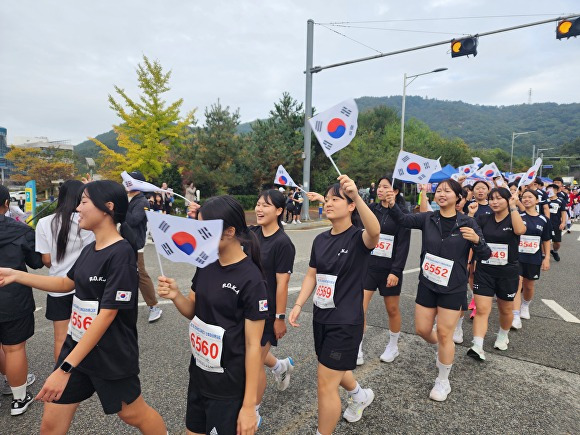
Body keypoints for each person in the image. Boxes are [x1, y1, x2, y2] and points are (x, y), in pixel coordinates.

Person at [0, 181, 167, 433]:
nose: (77, 208)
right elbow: (66, 283)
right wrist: (16, 275)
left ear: (107, 208)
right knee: (50, 422)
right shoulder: (91, 248)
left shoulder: (122, 254)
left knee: (134, 414)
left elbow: (108, 314)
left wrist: (66, 367)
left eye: (84, 202)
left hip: (109, 356)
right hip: (78, 346)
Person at [157, 195, 267, 435]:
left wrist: (249, 406)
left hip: (228, 388)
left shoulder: (251, 279)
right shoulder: (205, 263)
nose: (197, 235)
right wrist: (176, 295)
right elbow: (193, 312)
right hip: (199, 376)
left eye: (203, 229)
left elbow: (253, 346)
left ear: (229, 231)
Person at [384, 178, 491, 401]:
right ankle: (444, 348)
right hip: (428, 283)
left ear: (458, 197)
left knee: (444, 333)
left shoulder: (467, 223)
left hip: (453, 287)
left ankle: (443, 380)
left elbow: (486, 254)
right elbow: (403, 220)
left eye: (447, 191)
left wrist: (478, 242)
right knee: (423, 330)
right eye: (439, 191)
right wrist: (393, 202)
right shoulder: (427, 218)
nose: (442, 194)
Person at [289, 175, 380, 434]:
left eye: (336, 199)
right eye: (326, 200)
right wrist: (298, 304)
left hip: (346, 321)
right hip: (321, 316)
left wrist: (358, 196)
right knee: (333, 367)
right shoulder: (321, 240)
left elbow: (375, 232)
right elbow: (311, 275)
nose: (328, 204)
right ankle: (360, 395)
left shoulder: (359, 238)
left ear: (351, 206)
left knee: (325, 383)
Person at [35, 180, 95, 362]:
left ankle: (62, 377)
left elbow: (46, 259)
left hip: (56, 286)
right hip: (84, 285)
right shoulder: (86, 221)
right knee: (88, 335)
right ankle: (85, 374)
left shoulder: (44, 223)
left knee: (60, 337)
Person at [251, 189, 296, 425]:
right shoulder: (251, 234)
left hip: (267, 312)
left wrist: (279, 317)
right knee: (252, 352)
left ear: (279, 211)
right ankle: (280, 366)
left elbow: (282, 283)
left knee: (254, 361)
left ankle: (253, 411)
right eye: (258, 204)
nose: (259, 209)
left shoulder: (283, 243)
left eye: (265, 205)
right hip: (246, 307)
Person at [0, 184, 44, 416]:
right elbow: (37, 262)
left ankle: (10, 381)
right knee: (14, 348)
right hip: (13, 298)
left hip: (12, 298)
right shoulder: (20, 230)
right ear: (7, 204)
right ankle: (19, 398)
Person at [468, 187, 526, 359]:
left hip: (507, 272)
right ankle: (477, 345)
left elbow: (520, 231)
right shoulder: (484, 218)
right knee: (482, 309)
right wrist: (471, 214)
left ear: (508, 200)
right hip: (484, 271)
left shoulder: (513, 218)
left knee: (506, 310)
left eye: (499, 198)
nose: (494, 202)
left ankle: (503, 334)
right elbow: (468, 231)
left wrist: (514, 207)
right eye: (491, 198)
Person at [359, 177, 410, 365]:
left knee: (392, 309)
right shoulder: (372, 209)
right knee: (359, 307)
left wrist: (396, 271)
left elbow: (404, 245)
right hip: (368, 266)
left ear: (395, 191)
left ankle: (393, 345)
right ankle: (357, 345)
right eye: (379, 186)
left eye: (385, 187)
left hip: (389, 270)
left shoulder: (403, 214)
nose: (380, 190)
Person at [125, 171, 163, 323]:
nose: (126, 183)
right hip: (121, 242)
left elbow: (133, 220)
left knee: (140, 274)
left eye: (131, 180)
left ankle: (154, 306)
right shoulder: (127, 198)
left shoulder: (142, 201)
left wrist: (121, 207)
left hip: (135, 244)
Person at [511, 189, 551, 329]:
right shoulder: (517, 216)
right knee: (517, 283)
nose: (526, 199)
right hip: (517, 257)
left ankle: (525, 305)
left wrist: (546, 259)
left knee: (529, 286)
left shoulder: (543, 219)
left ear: (537, 200)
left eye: (530, 197)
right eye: (524, 197)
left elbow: (546, 240)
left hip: (534, 257)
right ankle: (515, 315)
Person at [546, 183, 566, 262]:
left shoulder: (561, 201)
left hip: (556, 224)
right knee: (545, 240)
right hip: (546, 223)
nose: (550, 191)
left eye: (552, 189)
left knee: (557, 242)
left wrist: (563, 222)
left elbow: (563, 212)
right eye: (548, 189)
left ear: (557, 191)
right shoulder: (544, 200)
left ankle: (554, 251)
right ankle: (545, 256)